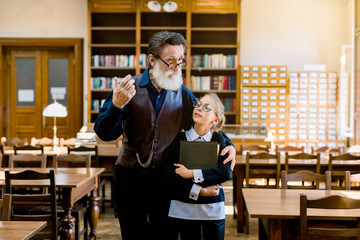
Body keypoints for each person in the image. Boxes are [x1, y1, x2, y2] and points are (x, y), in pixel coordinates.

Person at [93, 31, 236, 240]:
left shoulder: (184, 94)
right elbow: (103, 133)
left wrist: (229, 143)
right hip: (129, 179)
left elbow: (204, 123)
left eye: (180, 61)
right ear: (152, 60)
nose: (177, 67)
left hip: (165, 180)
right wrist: (116, 106)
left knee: (165, 236)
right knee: (133, 235)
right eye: (171, 61)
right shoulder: (127, 88)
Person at [163, 93, 232, 240]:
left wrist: (191, 173)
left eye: (207, 107)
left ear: (216, 119)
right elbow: (169, 175)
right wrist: (200, 191)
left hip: (213, 210)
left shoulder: (219, 139)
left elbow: (225, 173)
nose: (199, 108)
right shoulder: (178, 139)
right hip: (183, 209)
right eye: (198, 104)